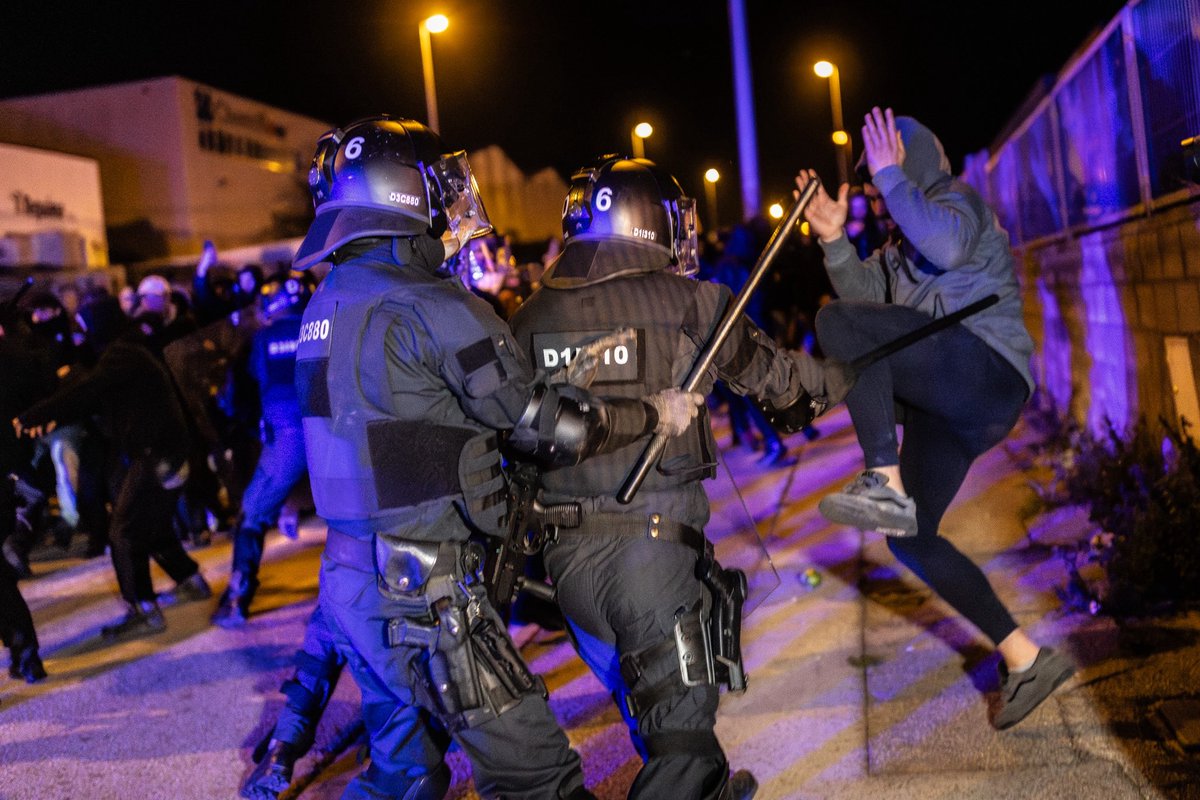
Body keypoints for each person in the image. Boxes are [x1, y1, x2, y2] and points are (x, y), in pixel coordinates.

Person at [290, 116, 701, 800]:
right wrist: (655, 412)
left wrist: (563, 388)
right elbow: (550, 431)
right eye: (441, 186)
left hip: (348, 583)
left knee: (404, 776)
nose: (455, 207)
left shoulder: (326, 302)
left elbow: (408, 415)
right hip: (429, 595)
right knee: (538, 774)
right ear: (404, 195)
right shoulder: (435, 304)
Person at [508, 155, 853, 800]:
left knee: (658, 715)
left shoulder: (527, 318)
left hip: (565, 575)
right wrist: (852, 372)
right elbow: (786, 392)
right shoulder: (692, 301)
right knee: (681, 743)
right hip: (653, 563)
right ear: (648, 220)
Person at [800, 106, 1075, 730]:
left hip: (986, 369)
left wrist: (896, 179)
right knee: (911, 537)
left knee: (836, 327)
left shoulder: (958, 202)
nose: (876, 185)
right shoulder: (900, 248)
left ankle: (882, 480)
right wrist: (833, 239)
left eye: (882, 170)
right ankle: (1026, 658)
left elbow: (946, 245)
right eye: (874, 178)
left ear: (910, 160)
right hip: (954, 409)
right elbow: (862, 303)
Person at [14, 294, 212, 639]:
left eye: (85, 325)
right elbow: (90, 395)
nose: (80, 333)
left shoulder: (121, 354)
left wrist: (35, 415)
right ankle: (190, 580)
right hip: (165, 451)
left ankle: (143, 609)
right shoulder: (129, 350)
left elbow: (86, 391)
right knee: (152, 524)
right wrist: (51, 416)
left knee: (124, 530)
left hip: (156, 454)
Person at [212, 271, 314, 627]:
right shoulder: (329, 324)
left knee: (252, 515)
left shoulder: (264, 338)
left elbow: (241, 390)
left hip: (288, 438)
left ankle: (238, 598)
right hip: (338, 435)